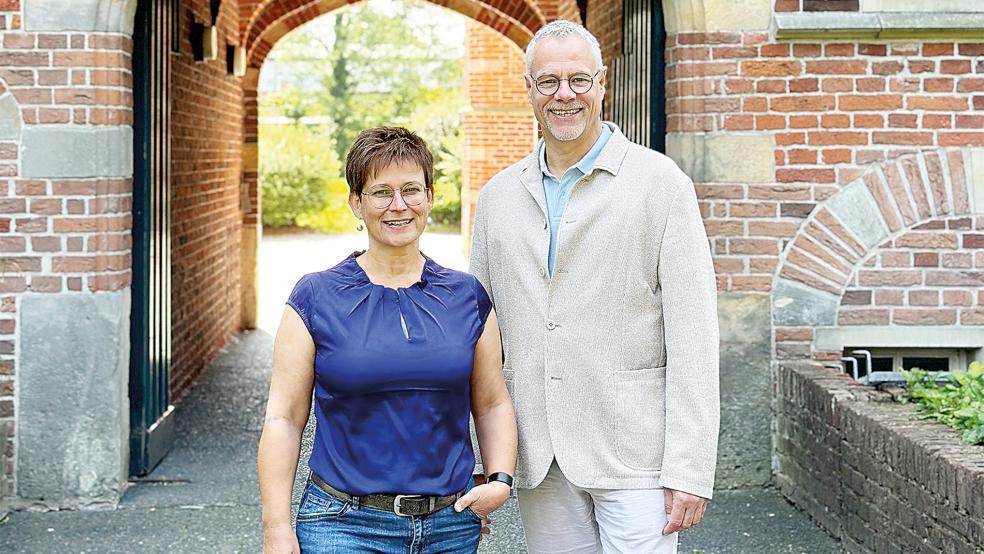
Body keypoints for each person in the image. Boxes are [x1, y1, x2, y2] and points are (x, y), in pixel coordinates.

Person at [469, 20, 720, 553]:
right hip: (539, 453)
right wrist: (482, 463)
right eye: (549, 82)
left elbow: (694, 337)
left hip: (635, 450)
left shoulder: (662, 185)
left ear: (602, 84)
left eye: (579, 80)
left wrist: (691, 467)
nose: (565, 95)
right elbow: (481, 343)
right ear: (530, 90)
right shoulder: (496, 200)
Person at [259, 126, 517, 554]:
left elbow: (491, 402)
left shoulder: (467, 296)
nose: (398, 206)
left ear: (431, 197)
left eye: (411, 190)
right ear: (355, 203)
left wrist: (500, 479)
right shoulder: (314, 297)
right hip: (342, 525)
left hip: (449, 528)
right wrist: (276, 529)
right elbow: (283, 419)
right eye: (380, 192)